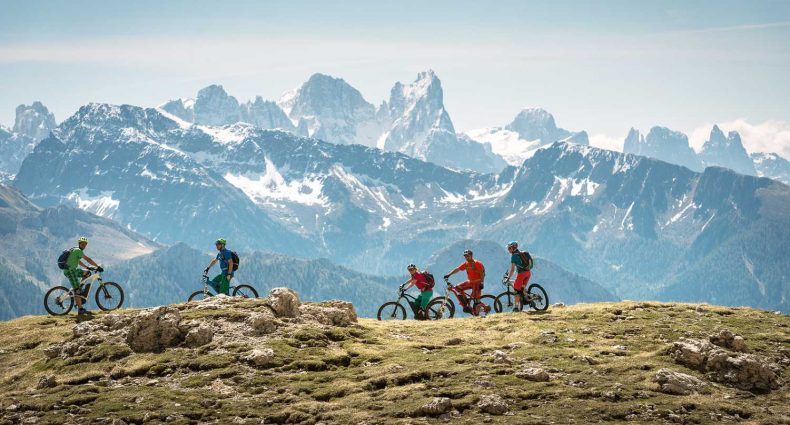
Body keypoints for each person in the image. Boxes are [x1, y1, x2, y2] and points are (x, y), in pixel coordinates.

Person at [63, 237, 102, 315]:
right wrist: (97, 266)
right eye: (82, 244)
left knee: (87, 273)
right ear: (79, 243)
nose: (84, 245)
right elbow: (88, 259)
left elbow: (78, 261)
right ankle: (80, 309)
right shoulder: (78, 250)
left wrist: (87, 267)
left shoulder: (75, 250)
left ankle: (79, 288)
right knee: (77, 290)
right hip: (70, 272)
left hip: (73, 270)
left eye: (85, 244)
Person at [505, 241, 533, 312]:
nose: (508, 250)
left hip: (522, 274)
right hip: (528, 273)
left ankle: (516, 308)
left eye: (509, 248)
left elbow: (512, 269)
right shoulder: (524, 253)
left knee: (516, 291)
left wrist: (508, 278)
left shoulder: (514, 256)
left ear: (513, 248)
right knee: (522, 288)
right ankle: (531, 300)